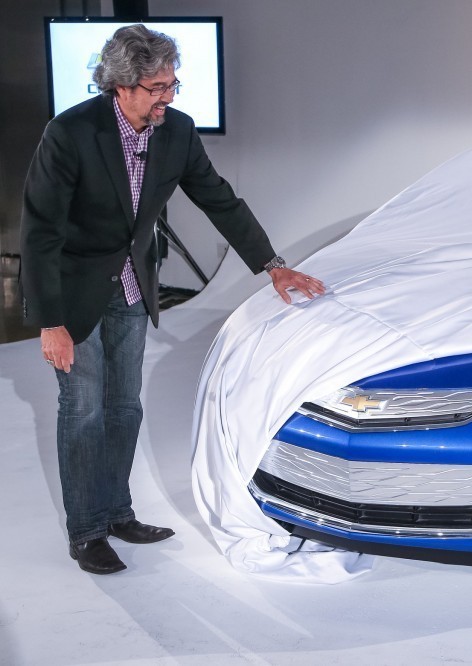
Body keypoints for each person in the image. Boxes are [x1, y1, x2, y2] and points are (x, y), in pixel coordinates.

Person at [20, 24, 325, 575]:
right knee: (83, 411)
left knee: (125, 406)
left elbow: (219, 200)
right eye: (157, 87)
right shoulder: (70, 133)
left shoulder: (177, 130)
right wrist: (50, 321)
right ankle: (86, 531)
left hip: (133, 286)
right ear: (122, 86)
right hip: (74, 291)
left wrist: (273, 265)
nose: (168, 97)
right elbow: (40, 232)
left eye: (172, 84)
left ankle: (117, 513)